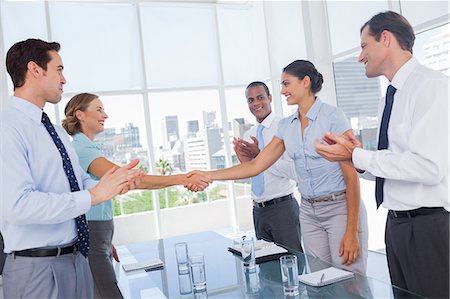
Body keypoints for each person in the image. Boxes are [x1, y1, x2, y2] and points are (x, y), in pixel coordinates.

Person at [315, 11, 449, 298]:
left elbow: (428, 167)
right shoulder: (390, 96)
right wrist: (352, 156)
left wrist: (359, 155)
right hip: (397, 226)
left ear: (385, 38)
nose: (359, 56)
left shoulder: (431, 87)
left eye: (364, 45)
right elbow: (395, 164)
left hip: (428, 228)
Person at [189, 60, 368, 274]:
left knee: (350, 282)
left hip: (339, 208)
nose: (282, 91)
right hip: (309, 213)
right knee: (321, 281)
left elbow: (351, 177)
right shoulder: (286, 126)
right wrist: (209, 175)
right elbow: (256, 165)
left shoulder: (333, 116)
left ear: (305, 82)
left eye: (286, 84)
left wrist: (352, 230)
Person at [0, 38, 141, 299]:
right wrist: (94, 196)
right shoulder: (7, 127)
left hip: (76, 260)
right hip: (36, 270)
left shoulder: (54, 131)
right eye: (59, 70)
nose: (64, 79)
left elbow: (77, 184)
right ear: (35, 69)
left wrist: (111, 185)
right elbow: (17, 206)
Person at [62, 92, 211, 298]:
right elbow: (129, 181)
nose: (105, 114)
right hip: (94, 235)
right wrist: (182, 179)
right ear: (80, 114)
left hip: (99, 235)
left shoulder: (85, 146)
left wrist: (106, 242)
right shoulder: (81, 148)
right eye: (99, 109)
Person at [232, 82, 302, 252]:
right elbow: (254, 172)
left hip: (283, 209)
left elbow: (294, 170)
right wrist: (245, 161)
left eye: (260, 97)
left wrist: (260, 155)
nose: (255, 103)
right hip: (258, 211)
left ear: (270, 98)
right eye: (250, 100)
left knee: (293, 265)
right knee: (267, 270)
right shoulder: (250, 134)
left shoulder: (285, 126)